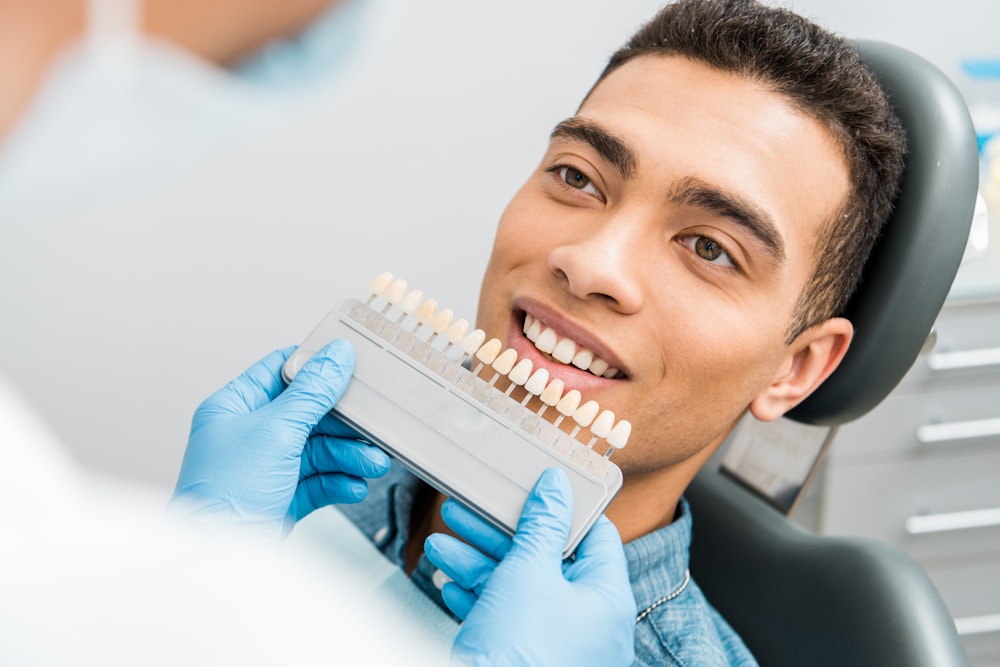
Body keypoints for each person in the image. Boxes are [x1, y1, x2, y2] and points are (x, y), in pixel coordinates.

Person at [322, 0, 906, 665]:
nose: (590, 263)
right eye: (577, 177)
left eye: (710, 248)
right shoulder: (304, 464)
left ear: (794, 369)